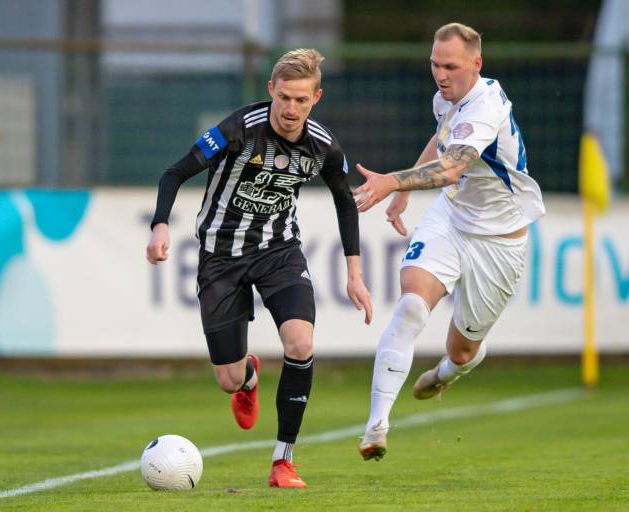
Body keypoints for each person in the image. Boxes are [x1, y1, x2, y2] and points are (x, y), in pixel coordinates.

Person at [146, 48, 373, 487]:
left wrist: (355, 272)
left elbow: (345, 201)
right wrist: (160, 226)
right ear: (271, 89)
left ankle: (283, 461)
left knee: (300, 343)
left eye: (301, 100)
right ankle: (248, 378)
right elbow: (174, 173)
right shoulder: (238, 130)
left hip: (278, 252)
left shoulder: (323, 145)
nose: (290, 109)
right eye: (283, 97)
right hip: (221, 257)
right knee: (228, 379)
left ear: (316, 98)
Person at [353, 23, 545, 461]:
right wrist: (404, 192)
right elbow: (442, 138)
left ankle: (447, 372)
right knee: (411, 305)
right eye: (435, 65)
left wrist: (393, 181)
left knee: (462, 349)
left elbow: (454, 166)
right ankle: (376, 427)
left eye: (451, 67)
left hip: (499, 242)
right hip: (451, 219)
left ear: (476, 64)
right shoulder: (447, 97)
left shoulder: (485, 107)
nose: (441, 75)